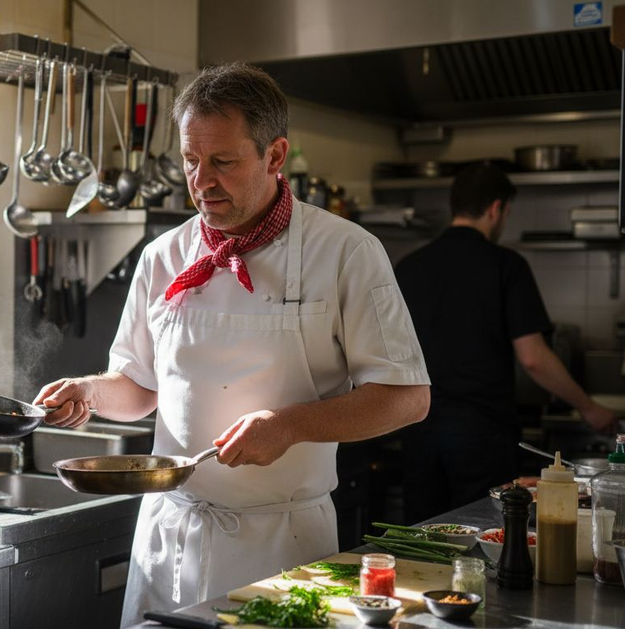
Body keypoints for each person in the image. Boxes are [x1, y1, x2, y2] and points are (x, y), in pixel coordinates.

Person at [33, 63, 431, 627]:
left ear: (275, 156)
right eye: (191, 162)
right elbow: (139, 388)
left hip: (283, 547)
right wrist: (89, 392)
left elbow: (407, 397)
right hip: (169, 537)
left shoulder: (344, 251)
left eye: (223, 162)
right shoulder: (163, 256)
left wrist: (290, 425)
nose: (202, 182)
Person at [394, 163, 616, 523]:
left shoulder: (408, 267)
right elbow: (533, 358)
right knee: (485, 536)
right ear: (496, 208)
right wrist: (588, 407)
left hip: (418, 428)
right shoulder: (505, 265)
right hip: (481, 434)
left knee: (424, 537)